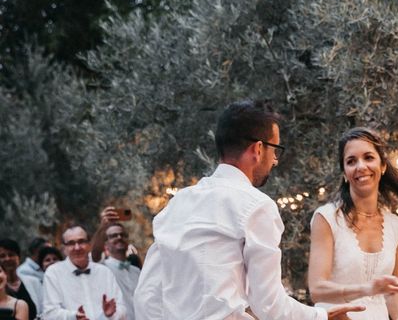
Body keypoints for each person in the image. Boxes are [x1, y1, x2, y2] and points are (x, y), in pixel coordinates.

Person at [134, 100, 364, 320]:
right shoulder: (257, 207)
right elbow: (269, 304)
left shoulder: (178, 204)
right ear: (258, 149)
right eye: (275, 150)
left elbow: (146, 296)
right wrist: (320, 315)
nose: (275, 160)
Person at [308, 127, 398, 320]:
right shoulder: (326, 218)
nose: (361, 166)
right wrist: (367, 289)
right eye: (351, 161)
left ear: (383, 166)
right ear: (344, 172)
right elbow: (317, 289)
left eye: (368, 157)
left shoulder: (397, 226)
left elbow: (393, 291)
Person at [42, 225, 126, 320]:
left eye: (81, 242)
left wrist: (109, 315)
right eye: (71, 243)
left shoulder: (104, 272)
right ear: (64, 248)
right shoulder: (53, 273)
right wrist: (74, 317)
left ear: (89, 245)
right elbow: (50, 313)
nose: (77, 248)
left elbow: (121, 307)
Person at [91, 208, 141, 320]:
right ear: (106, 244)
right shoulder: (103, 268)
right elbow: (95, 256)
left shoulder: (136, 271)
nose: (119, 237)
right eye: (113, 236)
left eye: (122, 235)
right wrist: (102, 227)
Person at [0, 240, 39, 320]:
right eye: (2, 256)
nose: (7, 259)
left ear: (19, 257)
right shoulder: (1, 286)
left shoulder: (34, 282)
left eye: (11, 255)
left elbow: (43, 309)